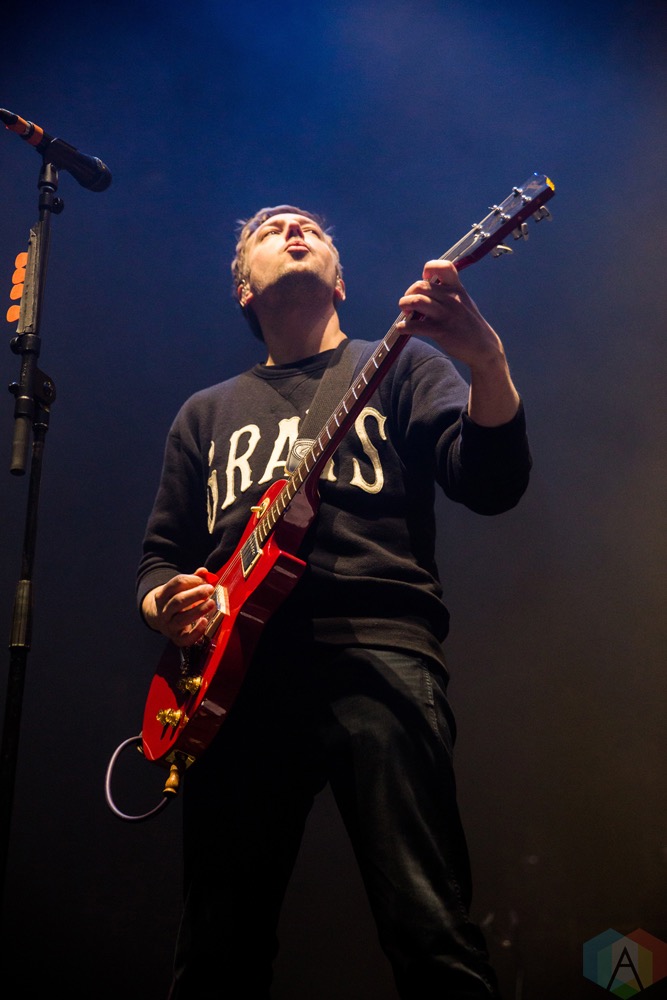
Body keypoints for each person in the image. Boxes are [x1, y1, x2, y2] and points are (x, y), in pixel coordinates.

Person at [137, 203, 532, 999]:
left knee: (428, 927)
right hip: (233, 683)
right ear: (243, 289)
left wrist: (487, 361)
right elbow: (159, 559)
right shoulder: (204, 413)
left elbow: (490, 485)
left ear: (341, 283)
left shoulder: (403, 366)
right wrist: (164, 607)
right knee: (215, 951)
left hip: (377, 651)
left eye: (311, 229)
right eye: (268, 230)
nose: (294, 231)